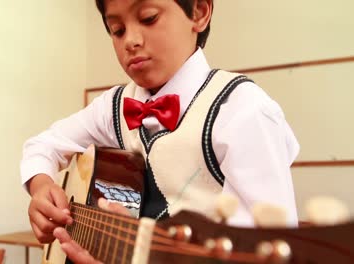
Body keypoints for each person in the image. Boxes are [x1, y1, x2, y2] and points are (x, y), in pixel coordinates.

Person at [20, 0, 300, 262]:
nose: (130, 41)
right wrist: (41, 186)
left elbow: (271, 247)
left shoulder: (243, 111)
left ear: (200, 11)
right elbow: (43, 145)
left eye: (148, 18)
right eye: (117, 30)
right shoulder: (113, 107)